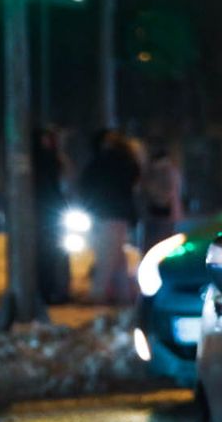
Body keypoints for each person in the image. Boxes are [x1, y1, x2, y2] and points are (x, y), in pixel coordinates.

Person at [74, 130, 142, 305]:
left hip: (108, 213)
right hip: (116, 213)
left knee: (107, 254)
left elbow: (87, 184)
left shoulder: (107, 163)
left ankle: (98, 293)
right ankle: (124, 294)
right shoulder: (125, 161)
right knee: (117, 256)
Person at [33, 125, 70, 304]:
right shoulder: (46, 159)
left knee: (51, 253)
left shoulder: (46, 158)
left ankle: (49, 289)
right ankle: (48, 290)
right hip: (47, 211)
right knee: (49, 254)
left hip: (48, 210)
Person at [139, 141, 183, 250]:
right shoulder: (171, 170)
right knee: (165, 240)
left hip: (156, 210)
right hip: (165, 211)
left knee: (154, 241)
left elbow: (148, 188)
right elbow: (175, 190)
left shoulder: (153, 171)